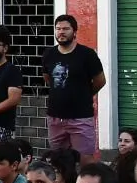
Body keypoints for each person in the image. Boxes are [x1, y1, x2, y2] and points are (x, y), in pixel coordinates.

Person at [42, 14, 105, 163]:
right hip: (55, 117)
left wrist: (83, 94)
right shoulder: (48, 54)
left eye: (65, 29)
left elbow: (100, 81)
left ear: (74, 31)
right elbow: (48, 79)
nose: (61, 32)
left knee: (85, 160)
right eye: (58, 29)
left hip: (81, 117)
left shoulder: (87, 55)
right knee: (58, 161)